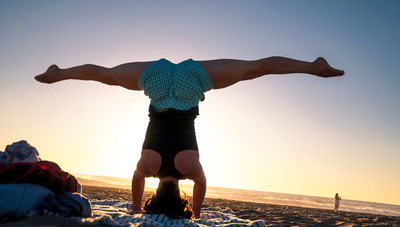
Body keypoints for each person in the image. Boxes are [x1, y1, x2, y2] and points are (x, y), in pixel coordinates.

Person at [35, 56, 344, 218]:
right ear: (154, 198)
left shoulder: (189, 169)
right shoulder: (148, 165)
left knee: (254, 68)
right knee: (107, 75)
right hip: (156, 83)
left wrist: (195, 212)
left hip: (189, 85)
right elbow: (136, 179)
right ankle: (59, 72)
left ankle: (313, 67)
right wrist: (136, 206)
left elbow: (201, 183)